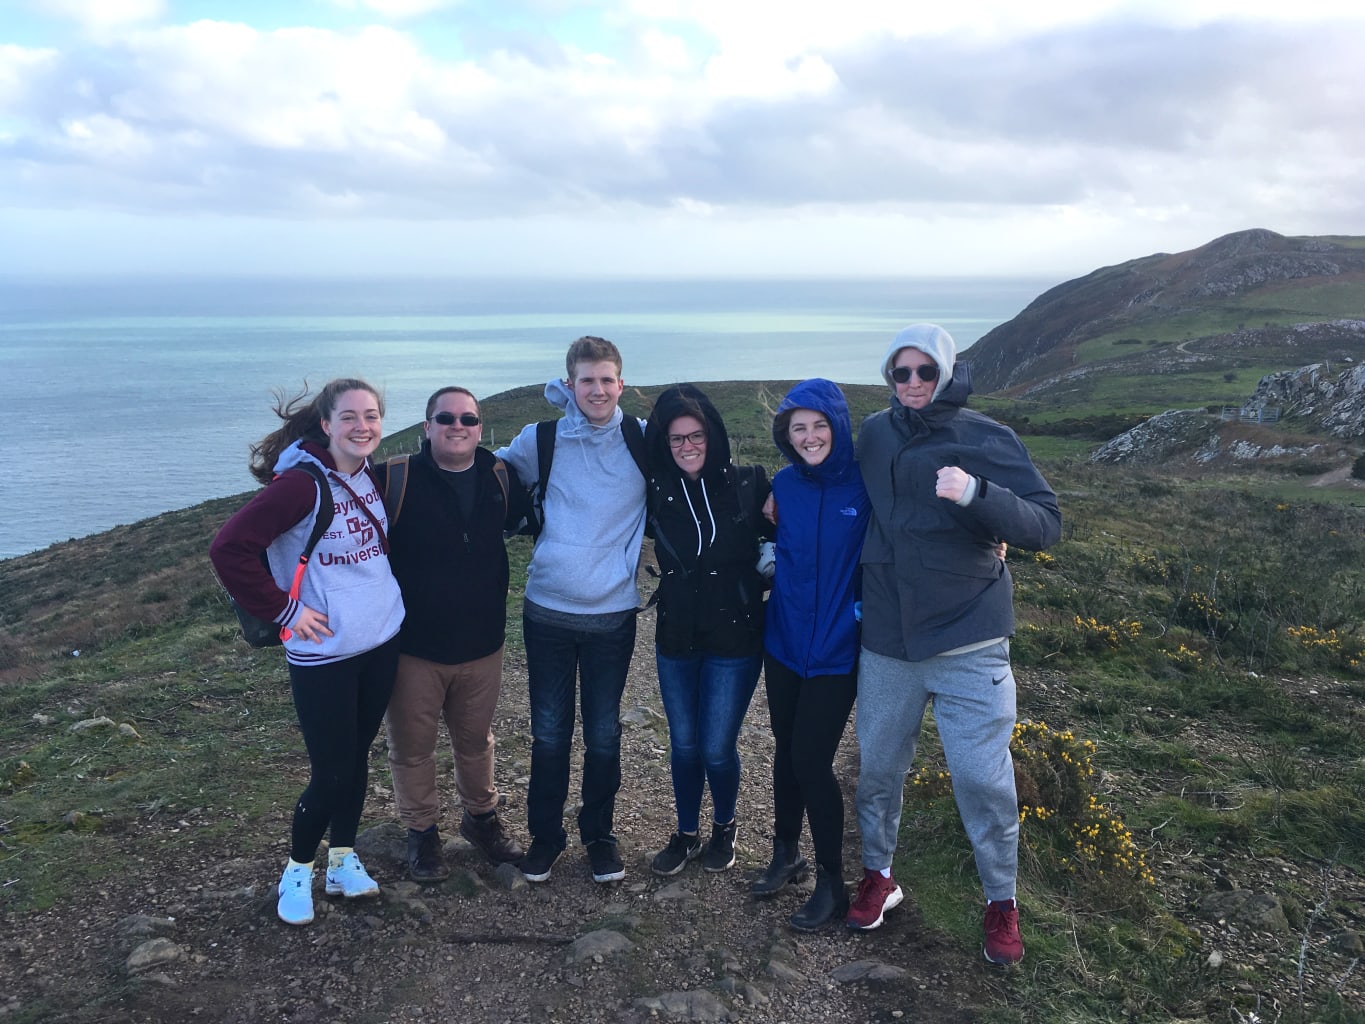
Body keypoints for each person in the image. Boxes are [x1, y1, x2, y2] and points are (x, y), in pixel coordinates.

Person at [849, 324, 1061, 965]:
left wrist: (979, 496)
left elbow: (1046, 524)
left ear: (944, 373)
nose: (911, 384)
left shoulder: (986, 438)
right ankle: (878, 876)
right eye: (900, 373)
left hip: (970, 637)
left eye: (923, 372)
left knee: (981, 779)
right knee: (879, 770)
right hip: (889, 637)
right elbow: (842, 489)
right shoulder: (874, 434)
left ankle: (1002, 901)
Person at [210, 378, 405, 927]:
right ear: (325, 424)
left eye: (371, 415)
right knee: (332, 770)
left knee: (357, 757)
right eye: (349, 417)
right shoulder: (300, 485)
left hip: (380, 639)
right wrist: (285, 611)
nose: (362, 426)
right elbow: (229, 548)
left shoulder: (366, 474)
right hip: (325, 653)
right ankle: (297, 870)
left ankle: (342, 860)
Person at [494, 336, 648, 885]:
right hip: (548, 612)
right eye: (587, 380)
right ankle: (546, 838)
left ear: (621, 384)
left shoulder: (640, 440)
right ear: (569, 384)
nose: (598, 390)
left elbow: (692, 468)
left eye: (607, 380)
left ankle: (599, 836)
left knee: (605, 733)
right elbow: (483, 475)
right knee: (550, 733)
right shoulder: (540, 439)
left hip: (612, 615)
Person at [380, 386, 531, 882]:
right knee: (413, 746)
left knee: (475, 741)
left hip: (482, 644)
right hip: (412, 647)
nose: (457, 426)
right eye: (445, 418)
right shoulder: (394, 479)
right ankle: (421, 833)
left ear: (480, 428)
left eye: (468, 418)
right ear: (427, 427)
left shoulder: (498, 476)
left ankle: (480, 819)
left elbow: (528, 520)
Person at [751, 378, 869, 931]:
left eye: (819, 425)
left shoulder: (867, 486)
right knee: (784, 749)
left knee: (812, 761)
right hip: (785, 641)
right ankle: (785, 853)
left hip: (838, 652)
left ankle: (831, 883)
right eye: (798, 428)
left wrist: (987, 533)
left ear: (838, 426)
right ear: (787, 435)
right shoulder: (784, 484)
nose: (810, 436)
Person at [642, 384, 771, 877]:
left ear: (712, 436)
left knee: (717, 746)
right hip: (676, 637)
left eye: (696, 435)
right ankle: (686, 832)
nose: (687, 446)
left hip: (735, 639)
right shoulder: (656, 487)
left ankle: (724, 825)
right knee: (684, 744)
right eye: (676, 439)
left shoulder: (749, 482)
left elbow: (796, 529)